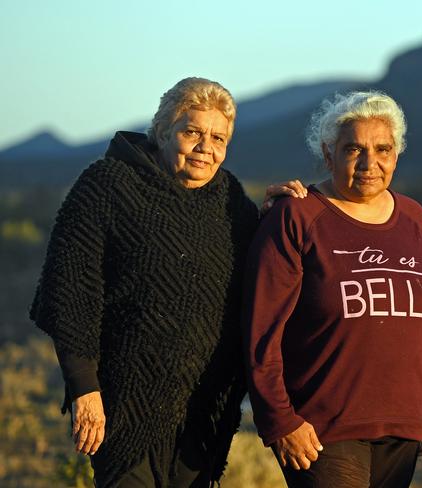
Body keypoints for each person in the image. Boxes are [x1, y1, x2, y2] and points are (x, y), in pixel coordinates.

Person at [30, 77, 307, 487]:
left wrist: (276, 219)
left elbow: (257, 274)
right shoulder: (108, 185)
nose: (205, 147)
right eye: (192, 131)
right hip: (124, 403)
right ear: (162, 131)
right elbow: (71, 290)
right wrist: (84, 388)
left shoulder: (230, 199)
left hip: (205, 410)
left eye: (218, 138)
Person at [242, 91, 422, 487]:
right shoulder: (297, 216)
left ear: (396, 154)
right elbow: (261, 331)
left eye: (383, 149)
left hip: (404, 425)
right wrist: (279, 420)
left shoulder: (416, 220)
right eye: (353, 149)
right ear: (328, 155)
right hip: (321, 431)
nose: (369, 163)